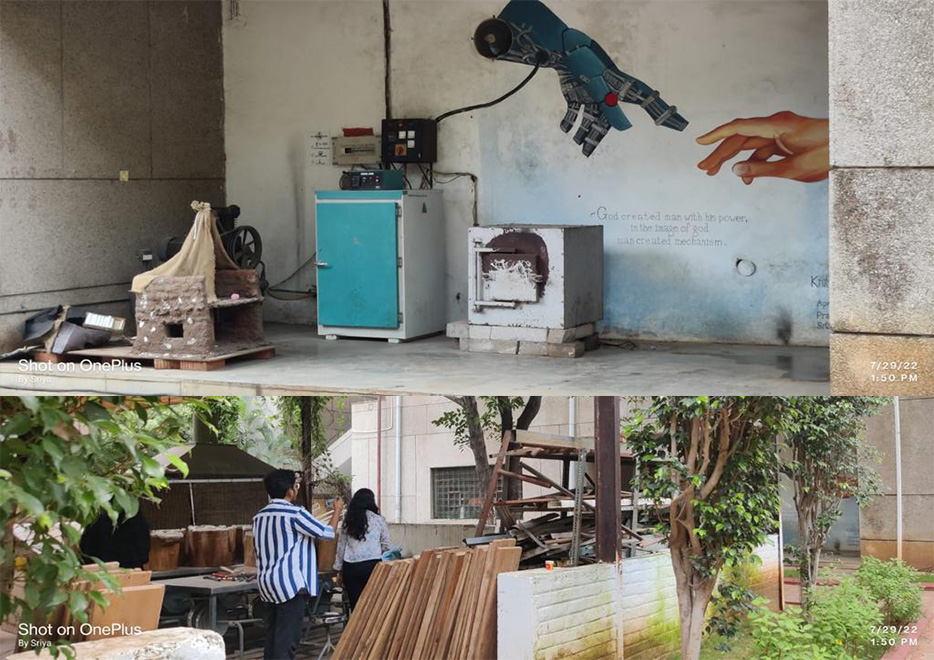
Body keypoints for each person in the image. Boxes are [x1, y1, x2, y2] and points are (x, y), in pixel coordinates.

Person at [252, 469, 334, 660]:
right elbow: (327, 533)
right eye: (295, 487)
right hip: (289, 585)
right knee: (287, 640)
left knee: (273, 637)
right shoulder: (295, 513)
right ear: (290, 491)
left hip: (267, 584)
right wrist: (337, 510)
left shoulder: (259, 517)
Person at [333, 488, 391, 611]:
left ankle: (356, 629)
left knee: (356, 606)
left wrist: (338, 569)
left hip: (351, 567)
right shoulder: (379, 520)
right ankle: (372, 629)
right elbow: (386, 545)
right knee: (373, 605)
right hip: (373, 566)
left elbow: (341, 546)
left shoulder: (348, 522)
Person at [79, 510, 150, 569]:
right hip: (134, 573)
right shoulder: (136, 518)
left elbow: (85, 554)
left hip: (101, 574)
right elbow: (144, 555)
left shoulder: (97, 519)